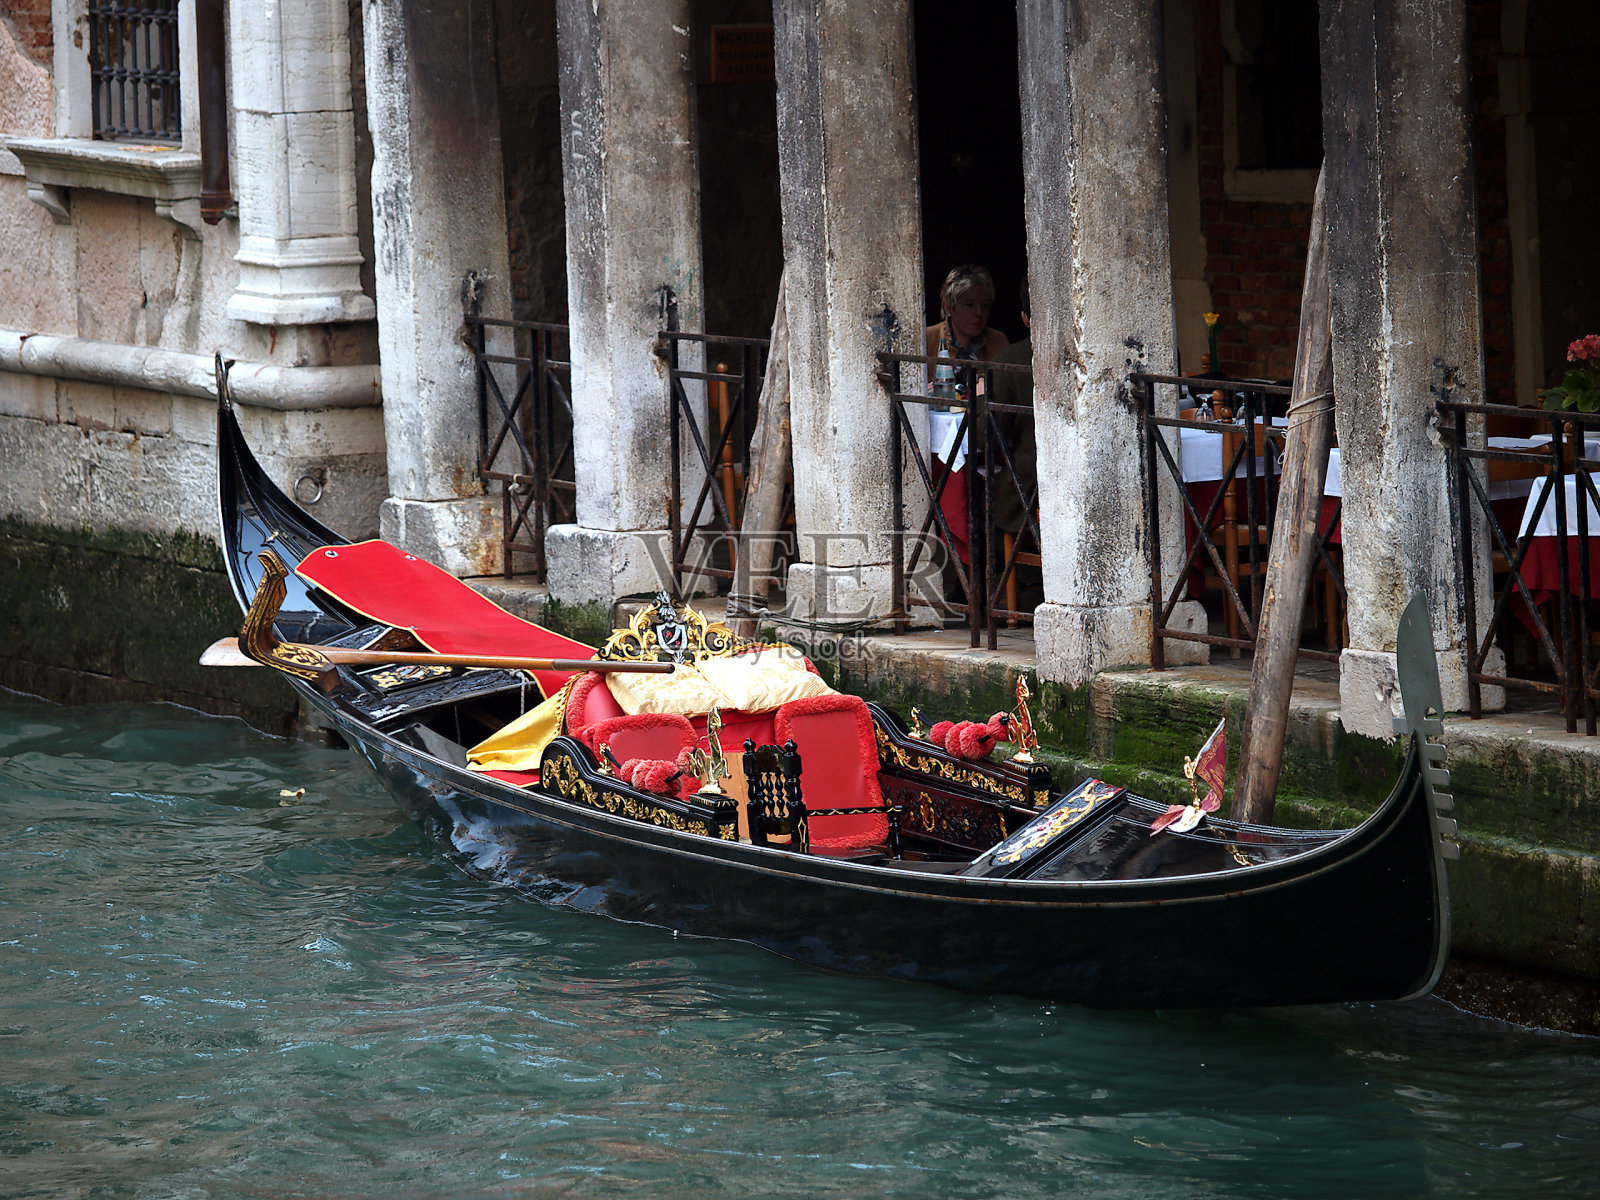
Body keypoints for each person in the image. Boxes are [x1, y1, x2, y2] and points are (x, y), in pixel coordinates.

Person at [987, 280, 1036, 537]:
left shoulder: (1011, 359)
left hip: (1028, 488)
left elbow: (990, 435)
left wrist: (981, 396)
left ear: (1025, 319)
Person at [924, 264, 1008, 374]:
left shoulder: (998, 342)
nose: (979, 313)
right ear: (948, 308)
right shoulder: (927, 340)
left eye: (985, 305)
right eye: (969, 305)